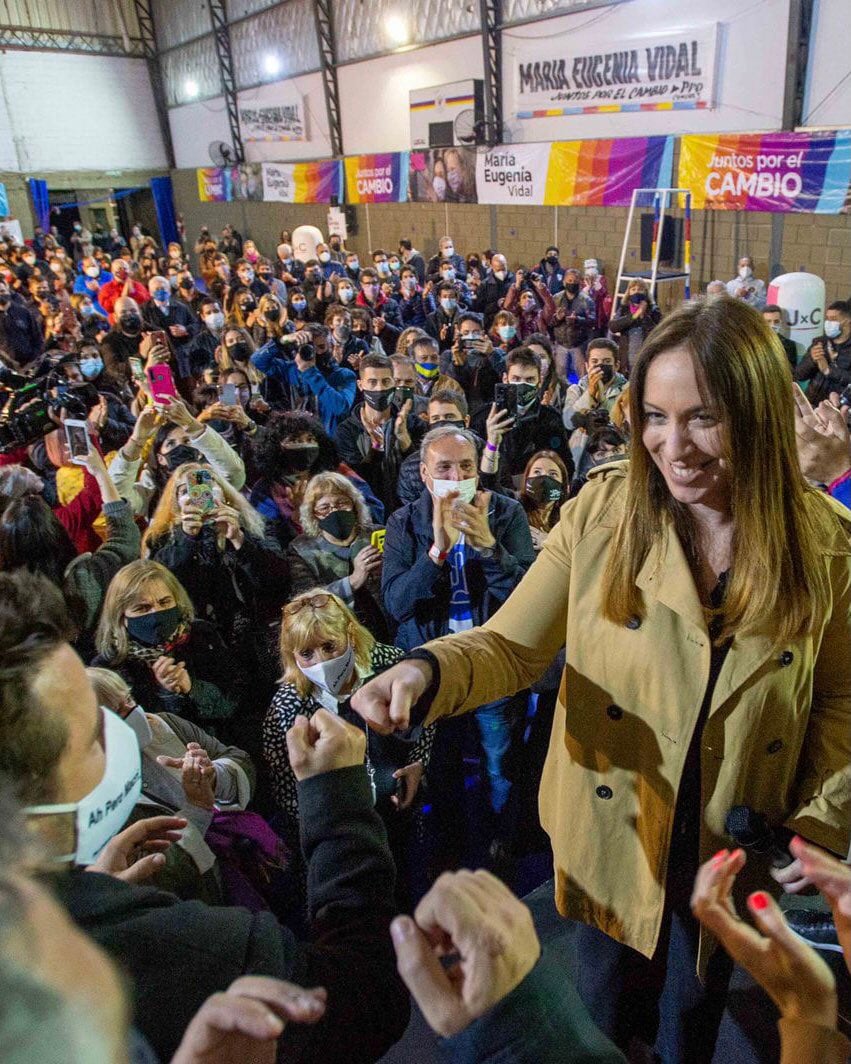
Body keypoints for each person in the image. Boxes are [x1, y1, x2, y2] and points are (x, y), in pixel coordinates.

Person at [353, 295, 851, 1063]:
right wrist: (424, 669)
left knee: (691, 1027)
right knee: (597, 1023)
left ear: (756, 415)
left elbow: (841, 702)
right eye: (654, 416)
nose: (672, 445)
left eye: (702, 418)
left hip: (731, 850)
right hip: (611, 839)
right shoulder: (601, 515)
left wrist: (815, 819)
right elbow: (509, 648)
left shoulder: (828, 547)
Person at [0, 568, 409, 1064]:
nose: (120, 739)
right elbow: (361, 1002)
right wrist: (336, 798)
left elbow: (235, 754)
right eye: (93, 734)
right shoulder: (154, 948)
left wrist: (96, 890)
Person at [382, 425, 535, 868]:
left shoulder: (505, 514)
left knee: (498, 764)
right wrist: (437, 552)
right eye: (444, 467)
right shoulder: (404, 522)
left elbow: (528, 596)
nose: (456, 475)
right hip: (434, 667)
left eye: (465, 466)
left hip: (491, 663)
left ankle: (500, 841)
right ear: (426, 475)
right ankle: (444, 849)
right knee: (439, 765)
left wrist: (489, 548)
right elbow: (396, 603)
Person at [264, 591, 433, 887]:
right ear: (292, 655)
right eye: (307, 653)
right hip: (340, 837)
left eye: (330, 646)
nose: (322, 660)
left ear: (350, 635)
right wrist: (334, 815)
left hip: (396, 815)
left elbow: (426, 718)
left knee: (405, 885)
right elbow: (286, 789)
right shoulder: (287, 705)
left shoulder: (391, 665)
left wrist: (419, 764)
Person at [142, 462, 289, 691]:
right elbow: (159, 585)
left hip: (258, 644)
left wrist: (239, 539)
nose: (198, 494)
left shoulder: (254, 527)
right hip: (200, 650)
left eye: (207, 485)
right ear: (175, 504)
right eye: (185, 490)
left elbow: (277, 579)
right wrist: (187, 539)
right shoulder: (162, 540)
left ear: (224, 493)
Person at [0, 447, 139, 653]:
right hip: (104, 664)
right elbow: (124, 536)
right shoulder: (89, 578)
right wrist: (100, 472)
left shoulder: (9, 602)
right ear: (59, 532)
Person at [250, 410, 385, 549]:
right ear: (276, 447)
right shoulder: (265, 490)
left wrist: (345, 510)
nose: (305, 445)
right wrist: (300, 512)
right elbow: (269, 538)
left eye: (310, 439)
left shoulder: (340, 474)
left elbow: (375, 512)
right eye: (294, 440)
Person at [287, 471, 390, 640]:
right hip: (341, 635)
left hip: (389, 625)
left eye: (342, 503)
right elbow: (306, 601)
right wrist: (354, 580)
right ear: (313, 513)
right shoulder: (301, 549)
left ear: (355, 505)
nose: (334, 511)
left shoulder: (380, 534)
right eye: (324, 507)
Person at [109, 395, 246, 520]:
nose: (180, 447)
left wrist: (191, 424)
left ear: (200, 450)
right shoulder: (151, 490)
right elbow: (117, 494)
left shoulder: (208, 478)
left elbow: (234, 471)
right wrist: (137, 439)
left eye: (187, 441)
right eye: (171, 443)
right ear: (160, 458)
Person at [334, 353, 426, 514]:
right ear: (360, 385)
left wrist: (405, 441)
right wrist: (376, 450)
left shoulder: (415, 425)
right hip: (370, 515)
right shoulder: (346, 431)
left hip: (409, 512)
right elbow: (354, 482)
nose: (380, 388)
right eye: (372, 382)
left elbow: (422, 475)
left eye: (386, 381)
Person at [471, 346, 571, 490]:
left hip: (535, 493)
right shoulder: (483, 417)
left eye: (529, 379)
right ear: (505, 379)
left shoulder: (550, 418)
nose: (522, 385)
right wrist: (491, 442)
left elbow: (564, 463)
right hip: (492, 492)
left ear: (539, 381)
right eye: (516, 379)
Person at [251, 327, 357, 436]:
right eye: (309, 348)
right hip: (298, 438)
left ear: (331, 347)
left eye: (321, 347)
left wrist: (310, 372)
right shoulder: (291, 370)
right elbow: (257, 360)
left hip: (328, 442)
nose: (315, 353)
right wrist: (281, 341)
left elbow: (340, 408)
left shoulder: (344, 375)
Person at [563, 337, 629, 471]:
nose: (600, 366)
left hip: (617, 457)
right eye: (595, 362)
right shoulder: (576, 390)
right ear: (587, 366)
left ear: (616, 365)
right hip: (583, 459)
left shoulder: (628, 390)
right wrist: (590, 395)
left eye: (606, 362)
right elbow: (568, 422)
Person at [793, 300, 851, 407]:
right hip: (811, 404)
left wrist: (829, 371)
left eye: (833, 319)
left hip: (837, 409)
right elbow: (799, 375)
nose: (828, 323)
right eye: (827, 318)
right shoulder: (820, 342)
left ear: (847, 320)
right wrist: (811, 359)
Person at [519, 449, 571, 552]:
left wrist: (550, 542)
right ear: (526, 479)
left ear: (564, 485)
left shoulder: (569, 519)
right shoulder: (515, 510)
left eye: (552, 474)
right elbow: (491, 482)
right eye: (537, 472)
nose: (544, 479)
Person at [608, 278, 662, 372]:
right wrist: (634, 315)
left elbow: (658, 331)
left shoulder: (653, 310)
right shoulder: (624, 309)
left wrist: (643, 315)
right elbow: (613, 326)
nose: (636, 292)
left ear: (645, 292)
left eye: (640, 289)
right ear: (629, 292)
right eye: (633, 289)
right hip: (626, 360)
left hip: (645, 358)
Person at [0, 278, 43, 366]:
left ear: (8, 291)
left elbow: (37, 338)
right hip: (6, 370)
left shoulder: (23, 312)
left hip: (30, 364)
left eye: (2, 291)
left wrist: (34, 358)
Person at [762, 304, 798, 370]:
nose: (772, 325)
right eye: (768, 321)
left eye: (776, 321)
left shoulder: (789, 345)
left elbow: (791, 371)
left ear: (781, 322)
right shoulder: (753, 343)